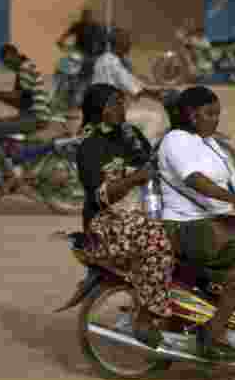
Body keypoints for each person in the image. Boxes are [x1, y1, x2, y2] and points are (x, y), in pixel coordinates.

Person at [156, 86, 235, 361]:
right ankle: (213, 333)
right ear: (191, 115)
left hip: (213, 224)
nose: (216, 119)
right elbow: (195, 180)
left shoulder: (209, 142)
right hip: (186, 226)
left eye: (217, 113)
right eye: (209, 113)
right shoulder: (175, 141)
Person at [75, 84, 175, 347]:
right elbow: (101, 196)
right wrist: (136, 178)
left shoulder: (129, 133)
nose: (121, 109)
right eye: (114, 104)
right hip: (106, 223)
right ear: (99, 111)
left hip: (138, 210)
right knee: (156, 240)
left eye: (122, 102)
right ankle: (145, 316)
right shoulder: (89, 145)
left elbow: (151, 161)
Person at [0, 44, 53, 195]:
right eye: (5, 63)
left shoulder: (25, 68)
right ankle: (9, 164)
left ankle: (9, 175)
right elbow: (19, 101)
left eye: (8, 60)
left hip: (35, 117)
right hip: (29, 114)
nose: (7, 64)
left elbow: (17, 97)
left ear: (14, 54)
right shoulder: (23, 68)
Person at [92, 27, 168, 143]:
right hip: (109, 114)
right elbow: (133, 86)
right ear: (119, 43)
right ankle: (142, 154)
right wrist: (157, 96)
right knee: (157, 119)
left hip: (108, 110)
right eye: (126, 40)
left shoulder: (107, 59)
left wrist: (156, 89)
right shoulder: (111, 61)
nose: (129, 44)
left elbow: (134, 81)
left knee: (147, 112)